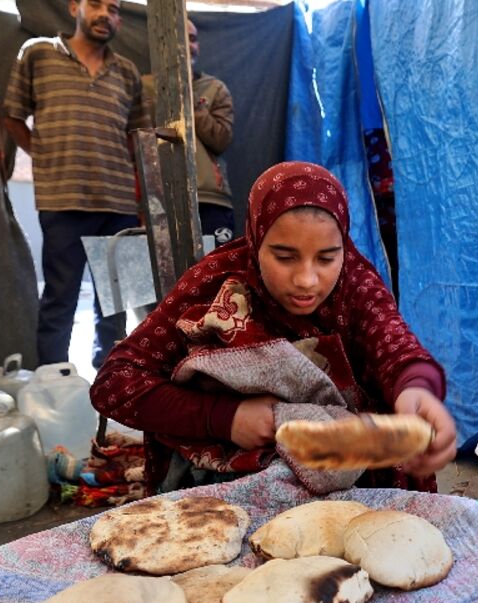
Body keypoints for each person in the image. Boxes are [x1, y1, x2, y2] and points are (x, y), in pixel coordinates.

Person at [92, 161, 456, 493]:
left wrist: (415, 389)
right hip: (226, 487)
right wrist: (224, 417)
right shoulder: (214, 284)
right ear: (255, 238)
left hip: (352, 484)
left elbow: (394, 346)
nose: (307, 280)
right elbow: (114, 383)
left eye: (327, 258)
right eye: (284, 257)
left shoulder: (356, 287)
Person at [3, 0, 149, 368]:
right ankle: (52, 381)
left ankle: (111, 378)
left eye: (114, 9)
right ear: (74, 8)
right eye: (96, 4)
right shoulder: (38, 54)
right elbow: (13, 116)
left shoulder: (127, 71)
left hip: (118, 204)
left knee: (116, 303)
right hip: (62, 199)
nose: (106, 14)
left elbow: (137, 134)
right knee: (60, 297)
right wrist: (47, 156)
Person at [141, 19, 236, 243]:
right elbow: (139, 141)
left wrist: (187, 96)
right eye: (180, 38)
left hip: (211, 200)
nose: (187, 45)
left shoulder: (215, 88)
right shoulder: (144, 87)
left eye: (192, 39)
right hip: (162, 199)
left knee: (216, 274)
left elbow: (221, 140)